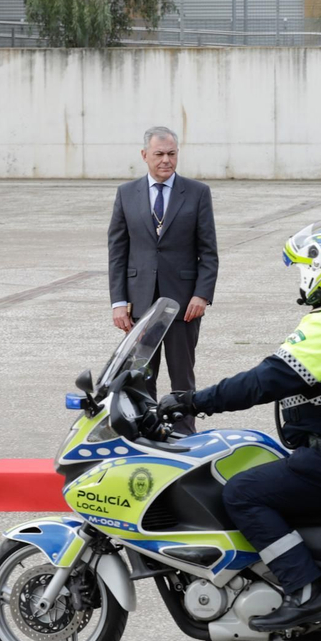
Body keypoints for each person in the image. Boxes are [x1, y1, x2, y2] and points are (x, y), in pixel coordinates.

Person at [159, 224, 321, 630]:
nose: (302, 276)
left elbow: (263, 381)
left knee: (242, 493)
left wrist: (192, 400)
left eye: (305, 266)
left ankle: (305, 592)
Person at [107, 126, 218, 435]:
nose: (166, 161)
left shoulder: (197, 193)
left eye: (171, 154)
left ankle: (184, 432)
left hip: (184, 304)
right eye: (159, 154)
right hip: (139, 304)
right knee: (141, 375)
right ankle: (147, 432)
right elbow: (117, 251)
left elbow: (208, 251)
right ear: (145, 156)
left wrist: (202, 295)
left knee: (182, 375)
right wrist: (118, 302)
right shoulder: (126, 194)